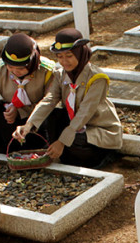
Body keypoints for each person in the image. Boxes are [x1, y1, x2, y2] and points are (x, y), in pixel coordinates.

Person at [12, 29, 123, 169]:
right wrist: (28, 125)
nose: (64, 61)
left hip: (97, 127)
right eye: (59, 56)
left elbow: (85, 112)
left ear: (80, 53)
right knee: (52, 118)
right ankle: (68, 156)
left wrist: (62, 141)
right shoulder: (60, 75)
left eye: (69, 56)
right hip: (76, 125)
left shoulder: (97, 78)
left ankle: (103, 156)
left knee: (75, 140)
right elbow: (49, 100)